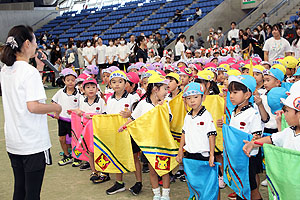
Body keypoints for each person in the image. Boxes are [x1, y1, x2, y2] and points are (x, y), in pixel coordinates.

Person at [0, 25, 62, 199]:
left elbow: (23, 94)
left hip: (14, 141)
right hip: (32, 143)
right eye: (34, 41)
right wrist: (56, 107)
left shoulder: (6, 71)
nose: (36, 45)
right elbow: (33, 106)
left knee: (20, 189)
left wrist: (40, 68)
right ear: (27, 43)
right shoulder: (29, 72)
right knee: (32, 194)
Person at [119, 74, 171, 200]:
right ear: (155, 89)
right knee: (152, 169)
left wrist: (162, 108)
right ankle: (156, 194)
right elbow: (133, 118)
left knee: (164, 169)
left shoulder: (165, 104)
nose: (166, 92)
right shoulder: (143, 104)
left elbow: (169, 119)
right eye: (164, 88)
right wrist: (124, 126)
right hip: (149, 144)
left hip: (162, 142)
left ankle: (165, 194)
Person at [217, 75, 263, 200]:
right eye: (231, 92)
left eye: (235, 92)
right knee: (239, 187)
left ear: (247, 94)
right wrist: (224, 126)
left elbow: (257, 136)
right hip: (236, 157)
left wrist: (253, 140)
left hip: (248, 159)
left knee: (251, 190)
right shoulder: (234, 111)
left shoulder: (252, 113)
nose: (231, 95)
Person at [105, 70, 142, 196]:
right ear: (110, 84)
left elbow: (140, 114)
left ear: (126, 83)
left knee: (135, 157)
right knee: (117, 156)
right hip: (116, 133)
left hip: (130, 132)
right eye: (114, 82)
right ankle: (119, 183)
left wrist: (131, 114)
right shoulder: (109, 100)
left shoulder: (133, 97)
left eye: (120, 82)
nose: (117, 85)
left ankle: (138, 182)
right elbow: (107, 116)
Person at [176, 81, 217, 194]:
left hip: (203, 156)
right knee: (193, 184)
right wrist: (180, 151)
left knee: (206, 184)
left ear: (203, 98)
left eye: (195, 97)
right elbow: (183, 133)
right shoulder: (188, 116)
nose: (192, 100)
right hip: (190, 155)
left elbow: (211, 135)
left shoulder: (206, 115)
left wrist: (212, 155)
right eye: (188, 98)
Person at [52, 68, 81, 166]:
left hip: (74, 121)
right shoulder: (60, 92)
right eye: (68, 80)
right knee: (62, 139)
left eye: (73, 80)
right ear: (64, 81)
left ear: (75, 81)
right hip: (62, 120)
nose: (70, 82)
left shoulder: (79, 93)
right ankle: (67, 155)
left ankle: (77, 157)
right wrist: (56, 113)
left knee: (75, 139)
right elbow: (53, 102)